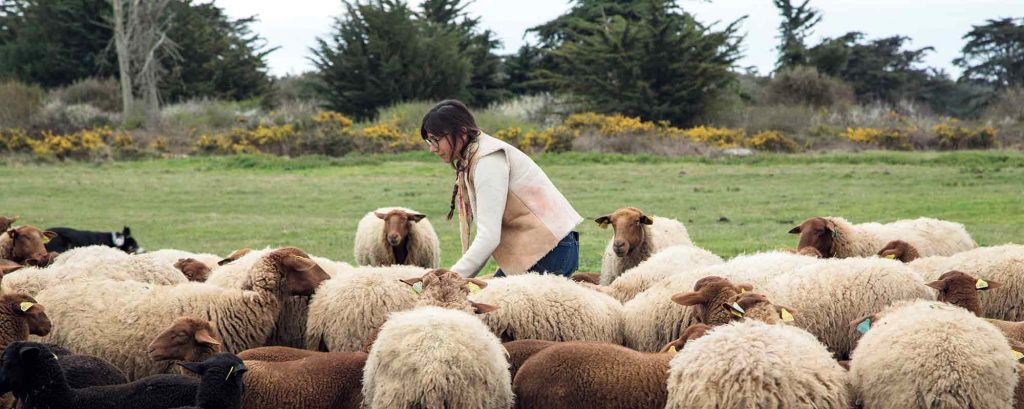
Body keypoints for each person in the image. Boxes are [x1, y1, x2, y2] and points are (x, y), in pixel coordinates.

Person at [421, 100, 582, 278]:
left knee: (495, 303)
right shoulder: (476, 155)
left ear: (462, 132)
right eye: (430, 140)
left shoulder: (487, 160)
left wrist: (450, 278)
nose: (432, 148)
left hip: (548, 250)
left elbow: (489, 237)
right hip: (543, 249)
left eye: (436, 140)